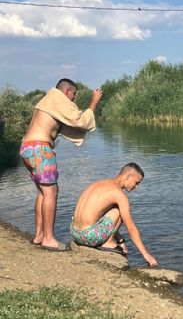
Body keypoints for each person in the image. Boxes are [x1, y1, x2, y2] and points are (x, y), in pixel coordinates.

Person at [20, 78, 102, 251]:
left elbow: (68, 124)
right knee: (51, 192)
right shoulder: (58, 99)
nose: (74, 99)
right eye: (74, 94)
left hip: (27, 147)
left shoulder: (47, 99)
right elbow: (80, 120)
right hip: (40, 149)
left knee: (43, 192)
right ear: (67, 92)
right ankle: (48, 239)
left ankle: (39, 236)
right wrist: (93, 102)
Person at [70, 163, 158, 267]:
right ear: (128, 176)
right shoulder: (119, 194)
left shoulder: (99, 183)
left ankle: (110, 239)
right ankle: (108, 242)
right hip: (87, 236)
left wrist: (120, 239)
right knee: (120, 209)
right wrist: (145, 254)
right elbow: (131, 228)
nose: (137, 187)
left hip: (74, 231)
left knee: (111, 209)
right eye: (137, 182)